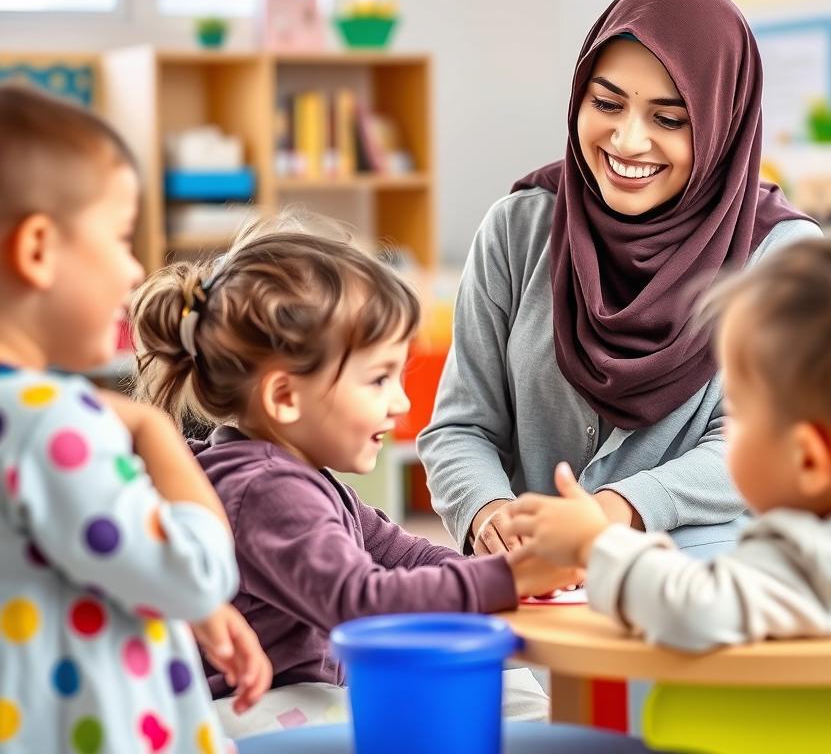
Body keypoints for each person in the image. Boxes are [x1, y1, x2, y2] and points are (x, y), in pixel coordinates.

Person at [419, 0, 819, 558]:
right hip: (538, 591)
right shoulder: (518, 228)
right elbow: (461, 426)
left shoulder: (784, 260)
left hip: (711, 596)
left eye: (670, 118)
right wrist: (488, 513)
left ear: (721, 122)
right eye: (606, 104)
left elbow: (767, 440)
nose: (628, 141)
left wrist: (616, 512)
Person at [131, 217, 570, 737]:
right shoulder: (267, 491)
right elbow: (363, 601)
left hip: (301, 704)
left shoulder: (294, 474)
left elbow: (404, 553)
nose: (401, 403)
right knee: (500, 710)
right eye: (379, 379)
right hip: (257, 719)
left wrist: (513, 567)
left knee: (514, 693)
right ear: (284, 397)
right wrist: (510, 579)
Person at [508, 233, 831, 648]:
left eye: (737, 412)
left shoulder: (800, 570)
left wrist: (595, 544)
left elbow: (688, 607)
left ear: (809, 459)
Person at [0, 84, 268, 754]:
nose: (133, 269)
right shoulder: (52, 424)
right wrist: (154, 431)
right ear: (37, 250)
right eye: (121, 238)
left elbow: (72, 559)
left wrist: (191, 610)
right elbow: (196, 571)